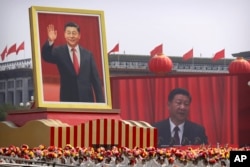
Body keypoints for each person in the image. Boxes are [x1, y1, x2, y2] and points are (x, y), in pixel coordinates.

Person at [41, 22, 104, 103]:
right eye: (68, 33)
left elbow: (96, 80)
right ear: (64, 35)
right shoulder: (59, 52)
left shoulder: (88, 55)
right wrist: (50, 41)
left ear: (79, 36)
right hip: (68, 99)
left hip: (87, 100)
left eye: (74, 33)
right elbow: (46, 56)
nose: (71, 36)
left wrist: (101, 104)